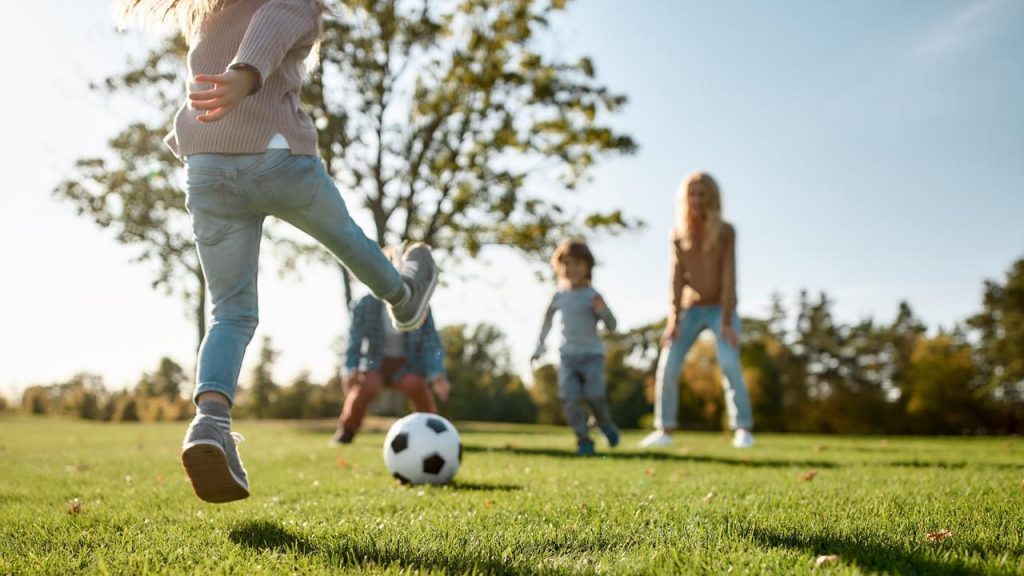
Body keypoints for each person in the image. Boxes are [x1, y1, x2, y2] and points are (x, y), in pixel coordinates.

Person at [118, 0, 439, 503]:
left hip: (205, 169)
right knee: (350, 241)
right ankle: (403, 295)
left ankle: (210, 422)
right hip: (276, 156)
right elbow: (270, 23)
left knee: (230, 313)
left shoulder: (210, 12)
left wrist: (228, 91)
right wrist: (246, 74)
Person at [639, 172, 754, 449]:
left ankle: (742, 428)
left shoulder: (726, 231)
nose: (697, 200)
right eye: (692, 194)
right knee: (668, 363)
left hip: (720, 309)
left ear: (712, 198)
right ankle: (664, 429)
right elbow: (676, 280)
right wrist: (673, 320)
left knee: (728, 361)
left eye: (702, 194)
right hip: (690, 310)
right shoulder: (678, 234)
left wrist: (726, 321)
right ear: (684, 198)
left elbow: (729, 277)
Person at [532, 239, 620, 455]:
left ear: (588, 267)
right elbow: (546, 322)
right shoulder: (558, 295)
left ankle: (604, 423)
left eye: (578, 264)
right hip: (568, 357)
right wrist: (539, 348)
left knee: (595, 396)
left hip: (592, 356)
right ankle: (583, 439)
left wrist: (602, 310)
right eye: (567, 263)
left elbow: (612, 325)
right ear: (559, 266)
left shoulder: (593, 295)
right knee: (569, 398)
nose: (572, 269)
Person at [330, 288, 450, 446]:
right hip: (374, 363)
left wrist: (437, 374)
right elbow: (354, 339)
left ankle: (433, 433)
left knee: (416, 385)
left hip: (406, 364)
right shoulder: (364, 304)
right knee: (367, 386)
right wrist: (351, 369)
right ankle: (347, 430)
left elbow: (431, 342)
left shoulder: (419, 305)